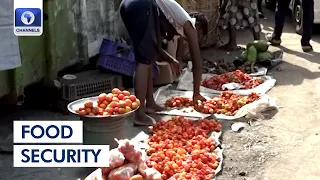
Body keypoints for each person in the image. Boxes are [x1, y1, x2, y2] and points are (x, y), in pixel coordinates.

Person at [120, 0, 206, 125]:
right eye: (200, 35)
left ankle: (150, 103)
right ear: (198, 28)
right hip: (141, 5)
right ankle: (139, 114)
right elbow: (197, 63)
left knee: (148, 56)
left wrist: (171, 60)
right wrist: (196, 93)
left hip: (129, 4)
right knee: (143, 61)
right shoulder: (189, 26)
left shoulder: (169, 18)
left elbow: (156, 49)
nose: (198, 39)